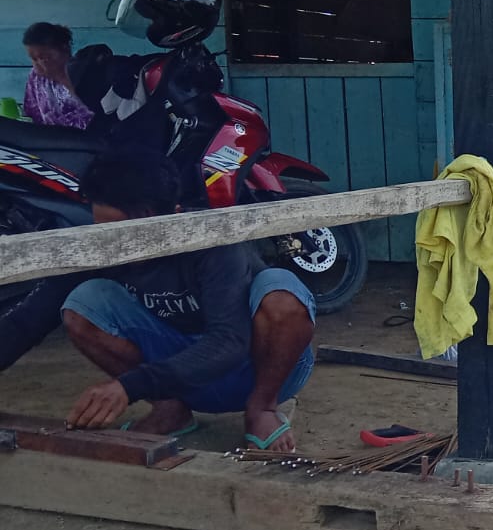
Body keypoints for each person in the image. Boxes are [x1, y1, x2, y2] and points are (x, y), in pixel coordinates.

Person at [0, 151, 316, 452]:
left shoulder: (213, 240)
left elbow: (229, 341)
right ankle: (170, 410)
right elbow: (28, 320)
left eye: (121, 231)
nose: (111, 242)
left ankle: (262, 408)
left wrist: (130, 386)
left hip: (259, 368)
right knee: (83, 303)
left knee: (281, 292)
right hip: (184, 379)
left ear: (159, 216)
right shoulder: (103, 243)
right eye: (102, 228)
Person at [21, 22, 93, 129]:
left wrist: (63, 79)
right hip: (45, 138)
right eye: (34, 59)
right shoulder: (36, 77)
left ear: (64, 48)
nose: (39, 64)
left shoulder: (85, 73)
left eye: (45, 57)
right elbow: (31, 115)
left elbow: (93, 118)